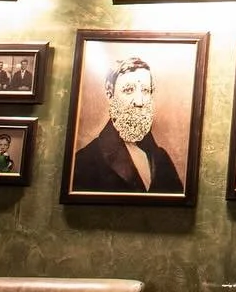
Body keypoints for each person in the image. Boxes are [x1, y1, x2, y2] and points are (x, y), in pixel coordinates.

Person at [71, 54, 184, 194]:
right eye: (129, 90)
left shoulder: (161, 158)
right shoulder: (85, 160)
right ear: (110, 94)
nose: (139, 101)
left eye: (145, 90)